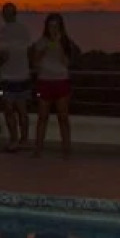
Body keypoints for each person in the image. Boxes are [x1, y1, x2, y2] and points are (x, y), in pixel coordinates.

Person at [29, 13, 80, 158]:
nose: (53, 29)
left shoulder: (66, 42)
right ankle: (38, 148)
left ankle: (66, 149)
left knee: (63, 117)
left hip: (61, 81)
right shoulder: (41, 42)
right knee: (42, 116)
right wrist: (47, 47)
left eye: (56, 26)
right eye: (51, 26)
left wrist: (60, 47)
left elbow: (67, 63)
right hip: (44, 81)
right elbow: (35, 62)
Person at [0, 2, 33, 151]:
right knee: (20, 110)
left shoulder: (4, 31)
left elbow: (3, 55)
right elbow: (29, 50)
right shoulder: (23, 30)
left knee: (10, 109)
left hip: (11, 76)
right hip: (20, 75)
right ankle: (21, 139)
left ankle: (16, 140)